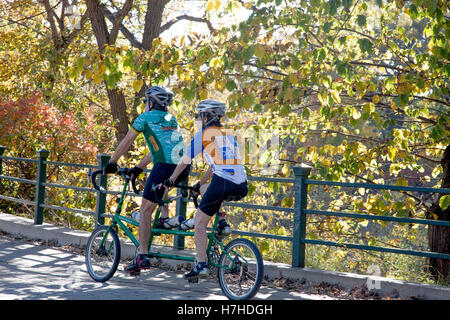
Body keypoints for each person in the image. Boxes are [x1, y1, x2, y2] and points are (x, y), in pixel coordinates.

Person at [103, 86, 190, 274]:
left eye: (145, 102)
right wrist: (138, 168)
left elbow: (127, 141)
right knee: (156, 198)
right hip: (183, 167)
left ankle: (142, 256)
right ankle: (165, 219)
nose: (144, 105)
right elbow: (159, 148)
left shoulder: (144, 119)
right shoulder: (170, 119)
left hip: (165, 166)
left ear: (151, 102)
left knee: (144, 210)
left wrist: (112, 162)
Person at [161, 99, 248, 279]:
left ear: (206, 116)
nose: (197, 119)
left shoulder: (203, 135)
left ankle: (201, 265)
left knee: (199, 224)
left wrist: (171, 179)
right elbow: (214, 165)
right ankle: (222, 223)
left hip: (223, 181)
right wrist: (200, 184)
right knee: (207, 189)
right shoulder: (228, 135)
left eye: (198, 116)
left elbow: (185, 159)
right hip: (241, 184)